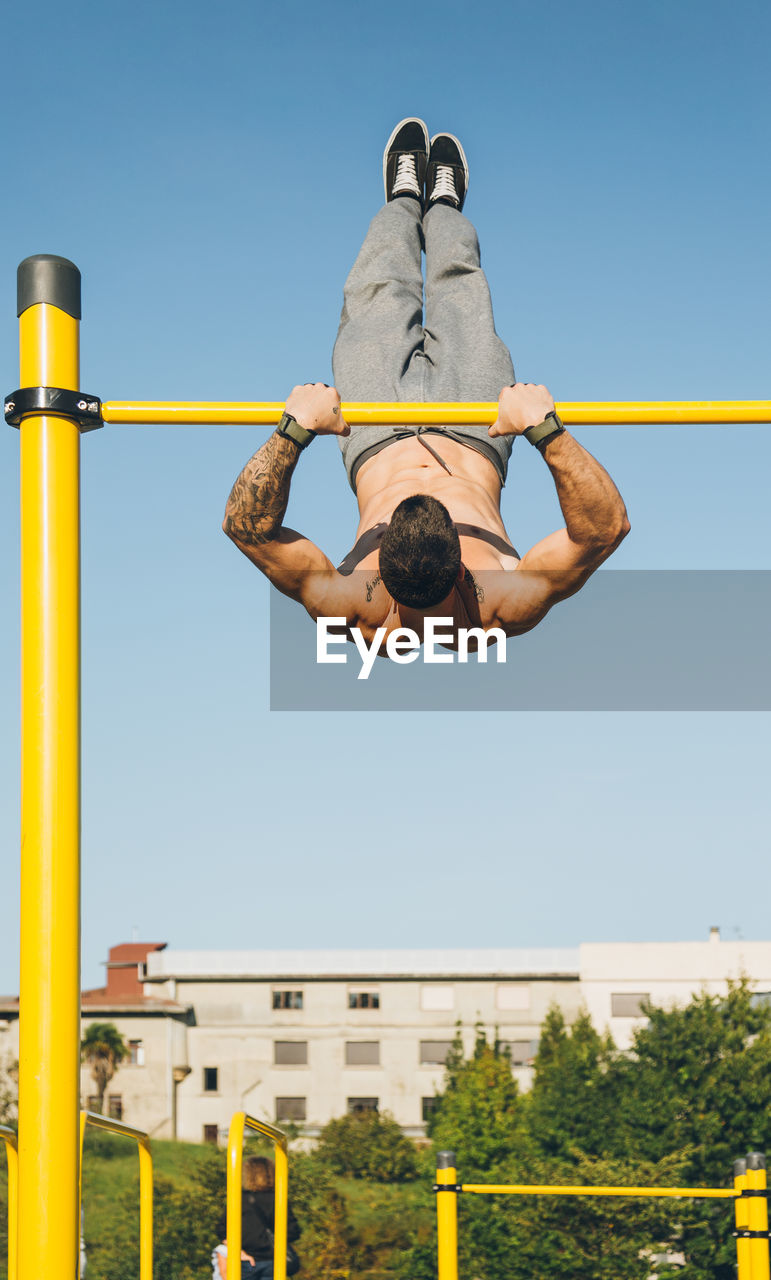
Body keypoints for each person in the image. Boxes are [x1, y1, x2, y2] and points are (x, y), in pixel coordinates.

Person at [223, 118, 630, 648]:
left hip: (374, 432)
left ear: (381, 563)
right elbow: (605, 530)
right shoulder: (501, 605)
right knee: (461, 288)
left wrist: (293, 432)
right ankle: (443, 205)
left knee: (376, 292)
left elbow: (247, 528)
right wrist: (546, 431)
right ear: (464, 571)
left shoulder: (353, 609)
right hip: (477, 430)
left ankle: (403, 197)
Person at [215, 1155, 301, 1280]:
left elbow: (222, 1230)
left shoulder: (240, 1199)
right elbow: (293, 1231)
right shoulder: (278, 1199)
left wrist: (239, 1252)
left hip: (245, 1259)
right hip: (274, 1262)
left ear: (248, 1174)